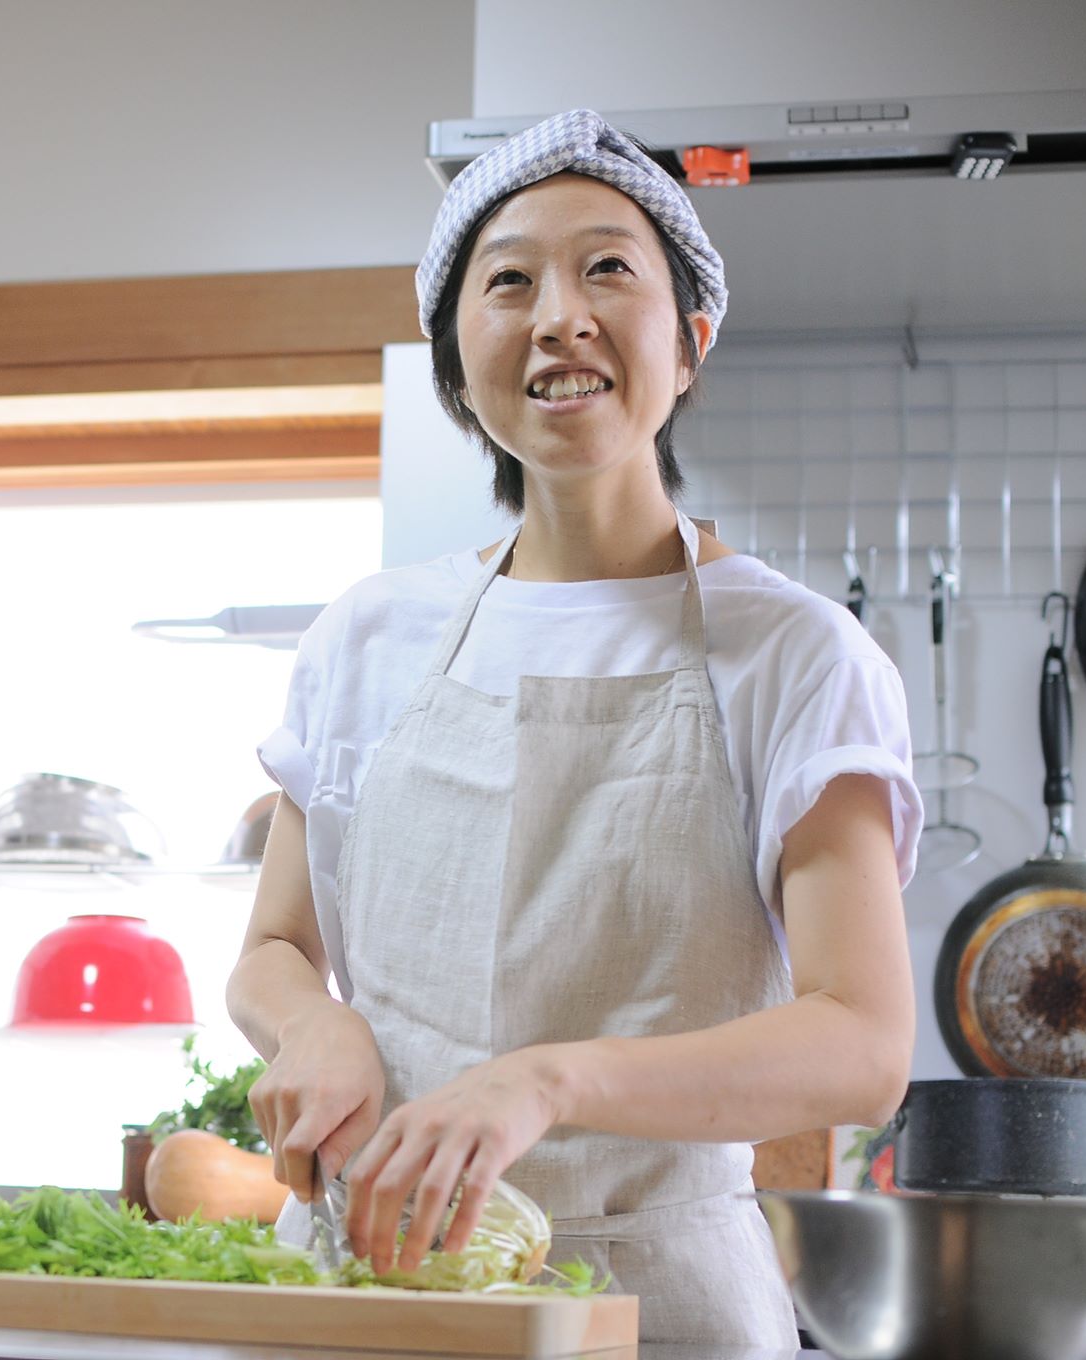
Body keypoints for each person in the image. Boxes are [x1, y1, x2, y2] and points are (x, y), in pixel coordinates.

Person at [226, 109, 920, 1348]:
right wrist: (312, 1020)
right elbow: (272, 947)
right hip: (364, 1296)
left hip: (659, 1303)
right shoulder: (367, 637)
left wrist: (547, 1078)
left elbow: (860, 1044)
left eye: (607, 266)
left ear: (690, 339)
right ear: (455, 360)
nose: (558, 314)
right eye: (507, 281)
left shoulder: (795, 655)